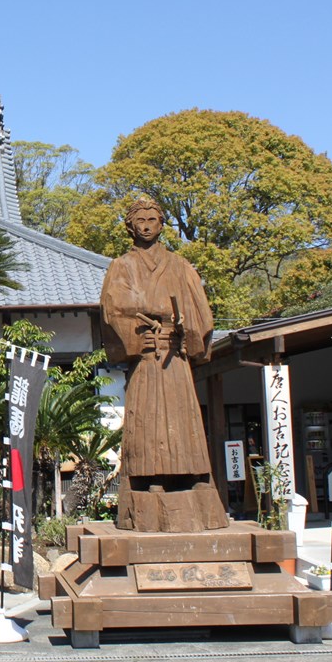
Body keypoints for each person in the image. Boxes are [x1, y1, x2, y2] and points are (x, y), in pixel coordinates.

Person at [100, 196, 228, 532]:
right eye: (139, 220)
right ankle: (149, 479)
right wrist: (137, 336)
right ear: (130, 226)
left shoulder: (180, 265)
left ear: (161, 224)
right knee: (148, 422)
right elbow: (113, 311)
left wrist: (189, 335)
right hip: (146, 358)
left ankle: (195, 478)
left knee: (182, 420)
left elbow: (200, 313)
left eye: (152, 219)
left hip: (175, 358)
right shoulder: (122, 266)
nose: (145, 225)